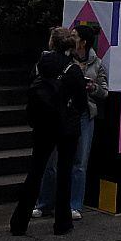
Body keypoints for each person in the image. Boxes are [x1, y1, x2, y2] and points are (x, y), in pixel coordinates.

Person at [13, 27, 84, 237]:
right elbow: (80, 102)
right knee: (65, 173)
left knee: (35, 172)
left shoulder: (40, 65)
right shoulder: (73, 69)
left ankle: (19, 221)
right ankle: (62, 223)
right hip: (67, 127)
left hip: (43, 125)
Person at [38, 21, 106, 218]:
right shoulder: (62, 60)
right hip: (63, 112)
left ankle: (75, 204)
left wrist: (93, 88)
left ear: (83, 42)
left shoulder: (97, 63)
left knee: (80, 162)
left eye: (75, 36)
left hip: (85, 113)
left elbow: (104, 91)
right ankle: (44, 202)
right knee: (51, 160)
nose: (71, 39)